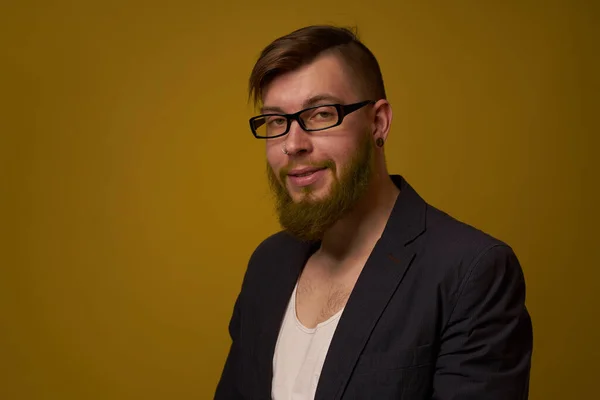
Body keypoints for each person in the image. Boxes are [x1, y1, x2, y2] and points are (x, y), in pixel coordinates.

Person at [214, 25, 533, 400]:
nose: (292, 144)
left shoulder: (471, 271)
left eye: (320, 114)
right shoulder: (268, 263)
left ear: (378, 122)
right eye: (276, 121)